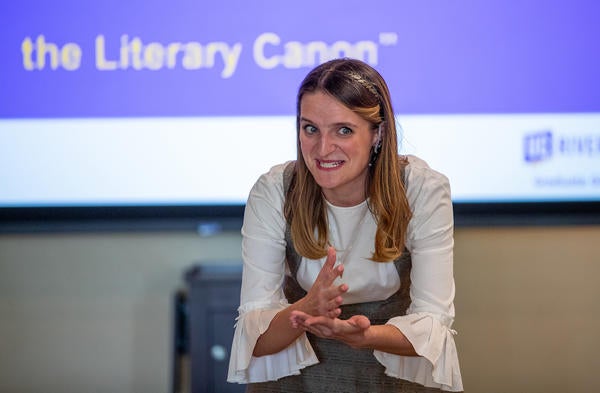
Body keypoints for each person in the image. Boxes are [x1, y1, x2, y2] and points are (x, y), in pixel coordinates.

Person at [227, 58, 463, 392]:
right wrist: (306, 308)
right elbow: (257, 342)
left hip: (390, 378)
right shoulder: (274, 190)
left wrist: (366, 336)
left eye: (344, 130)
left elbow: (434, 327)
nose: (323, 149)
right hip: (297, 383)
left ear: (377, 133)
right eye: (310, 128)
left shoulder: (422, 189)